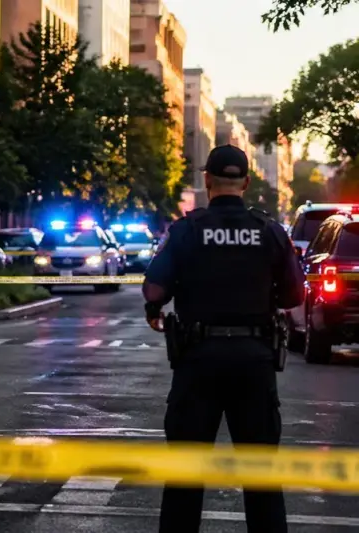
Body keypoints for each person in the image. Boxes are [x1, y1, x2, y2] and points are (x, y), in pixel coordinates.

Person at [142, 144, 305, 533]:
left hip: (198, 361)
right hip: (254, 362)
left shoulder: (187, 230)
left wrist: (156, 310)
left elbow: (153, 290)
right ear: (246, 182)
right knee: (262, 479)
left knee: (184, 477)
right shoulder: (270, 231)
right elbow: (295, 296)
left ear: (207, 180)